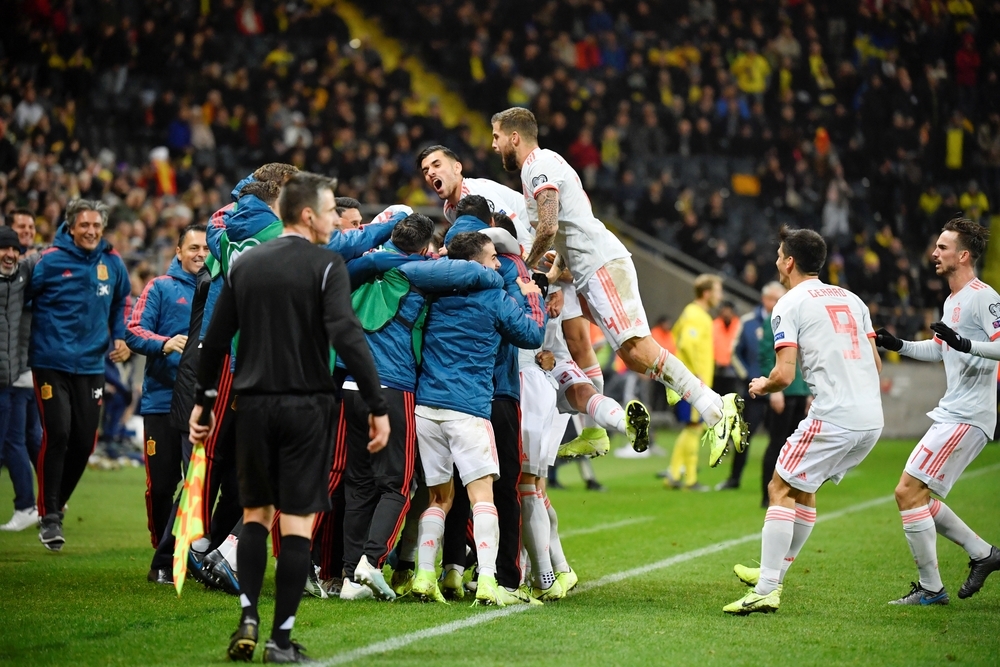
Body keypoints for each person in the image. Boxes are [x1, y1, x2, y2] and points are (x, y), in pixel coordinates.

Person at [190, 172, 389, 663]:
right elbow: (347, 335)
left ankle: (248, 616)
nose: (331, 223)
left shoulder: (247, 263)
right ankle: (281, 640)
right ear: (307, 215)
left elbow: (215, 340)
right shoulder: (326, 266)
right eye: (327, 213)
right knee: (297, 524)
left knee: (256, 516)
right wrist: (377, 405)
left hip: (253, 404)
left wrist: (203, 400)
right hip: (306, 407)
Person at [490, 107, 747, 465]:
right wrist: (550, 275)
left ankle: (716, 408)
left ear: (513, 137)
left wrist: (526, 268)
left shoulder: (538, 165)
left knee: (638, 350)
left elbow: (548, 228)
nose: (493, 145)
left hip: (600, 266)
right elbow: (566, 231)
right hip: (589, 269)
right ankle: (640, 405)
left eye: (497, 137)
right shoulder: (542, 166)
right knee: (631, 354)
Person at [337, 213, 505, 601]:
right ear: (425, 245)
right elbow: (465, 275)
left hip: (350, 384)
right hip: (392, 386)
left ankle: (348, 578)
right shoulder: (416, 271)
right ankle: (371, 564)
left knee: (359, 484)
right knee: (397, 485)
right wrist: (496, 276)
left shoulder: (363, 263)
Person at [725, 226, 883, 615]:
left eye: (780, 255)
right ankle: (772, 572)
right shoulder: (853, 299)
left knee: (779, 488)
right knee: (804, 489)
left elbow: (784, 373)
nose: (777, 262)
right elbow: (875, 363)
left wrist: (762, 385)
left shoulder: (789, 303)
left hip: (835, 415)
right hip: (871, 418)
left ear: (790, 261)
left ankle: (766, 586)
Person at [410, 231, 546, 607]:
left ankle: (424, 575)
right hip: (468, 407)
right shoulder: (493, 296)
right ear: (476, 263)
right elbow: (532, 335)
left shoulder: (432, 289)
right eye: (490, 258)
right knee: (482, 495)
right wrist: (533, 299)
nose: (497, 264)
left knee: (439, 498)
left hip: (427, 407)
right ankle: (488, 581)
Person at [875, 218, 1000, 605]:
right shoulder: (951, 300)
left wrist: (966, 344)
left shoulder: (983, 296)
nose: (934, 253)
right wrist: (900, 345)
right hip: (951, 412)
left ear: (963, 255)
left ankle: (932, 588)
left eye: (943, 248)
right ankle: (983, 554)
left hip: (969, 415)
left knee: (906, 492)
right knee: (914, 495)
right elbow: (941, 348)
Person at [29, 199, 131, 551]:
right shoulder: (48, 261)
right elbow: (21, 300)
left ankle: (55, 504)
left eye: (96, 226)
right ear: (70, 227)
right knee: (57, 432)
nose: (90, 231)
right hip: (49, 361)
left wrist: (120, 335)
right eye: (83, 225)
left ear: (102, 228)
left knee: (85, 441)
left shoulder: (113, 263)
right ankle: (49, 517)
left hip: (91, 365)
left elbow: (121, 303)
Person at [124, 224, 207, 584]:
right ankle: (162, 547)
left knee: (194, 482)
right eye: (193, 247)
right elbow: (133, 331)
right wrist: (163, 342)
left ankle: (173, 556)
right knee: (161, 485)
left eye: (205, 248)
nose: (200, 253)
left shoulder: (216, 289)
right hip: (160, 400)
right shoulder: (159, 287)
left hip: (196, 404)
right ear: (178, 251)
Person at [717, 283, 784, 491]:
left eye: (778, 299)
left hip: (780, 389)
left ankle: (779, 482)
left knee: (780, 439)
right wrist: (749, 377)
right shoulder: (747, 323)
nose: (775, 304)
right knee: (744, 436)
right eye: (772, 299)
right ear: (764, 299)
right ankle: (734, 477)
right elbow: (735, 353)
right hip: (753, 390)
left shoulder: (787, 321)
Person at [664, 274, 722, 492]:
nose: (720, 296)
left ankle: (673, 474)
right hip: (693, 382)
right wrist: (697, 373)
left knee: (691, 428)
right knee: (694, 427)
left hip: (692, 381)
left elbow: (677, 334)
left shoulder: (696, 314)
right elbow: (687, 342)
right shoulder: (696, 315)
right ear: (706, 293)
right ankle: (689, 479)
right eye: (717, 291)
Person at [756, 289, 810, 508]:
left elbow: (804, 357)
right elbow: (766, 356)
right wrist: (774, 390)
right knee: (777, 442)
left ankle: (788, 493)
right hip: (784, 390)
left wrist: (808, 391)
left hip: (799, 389)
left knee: (796, 446)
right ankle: (767, 494)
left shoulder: (794, 317)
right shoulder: (773, 320)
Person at [0, 226, 39, 531]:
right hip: (14, 379)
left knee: (15, 443)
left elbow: (47, 255)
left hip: (12, 380)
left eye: (14, 249)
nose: (10, 254)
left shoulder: (21, 278)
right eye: (5, 248)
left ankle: (37, 503)